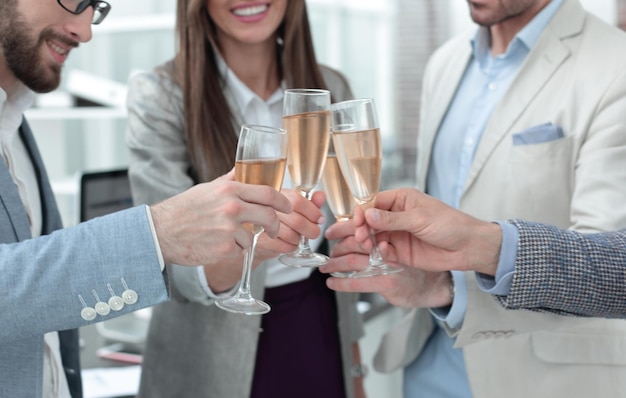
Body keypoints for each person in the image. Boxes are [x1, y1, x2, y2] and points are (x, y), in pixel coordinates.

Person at [326, 0, 626, 397]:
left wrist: (460, 284)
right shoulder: (445, 63)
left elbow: (605, 266)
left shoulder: (615, 65)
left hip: (541, 380)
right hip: (427, 366)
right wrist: (432, 284)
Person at [0, 1, 298, 397]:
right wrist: (157, 233)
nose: (86, 31)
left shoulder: (15, 119)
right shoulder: (162, 94)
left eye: (95, 7)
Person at [125, 1, 365, 397]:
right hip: (209, 355)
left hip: (315, 327)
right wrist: (258, 250)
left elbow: (343, 244)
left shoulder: (331, 88)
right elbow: (168, 265)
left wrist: (354, 367)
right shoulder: (160, 96)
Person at [322, 188, 626, 319]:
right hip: (426, 362)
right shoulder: (443, 66)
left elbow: (614, 267)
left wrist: (481, 246)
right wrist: (441, 283)